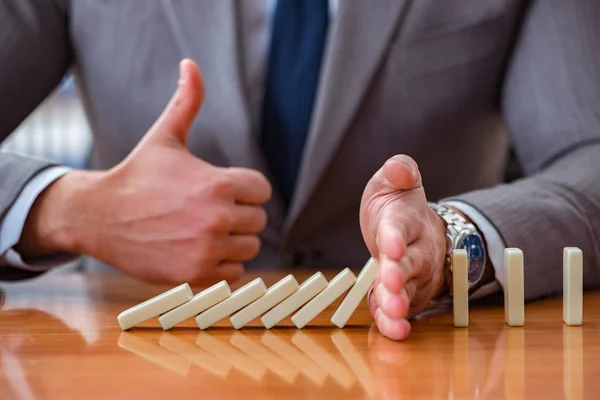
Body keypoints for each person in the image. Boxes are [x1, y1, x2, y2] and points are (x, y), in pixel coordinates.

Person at [0, 0, 599, 341]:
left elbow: (590, 157)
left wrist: (451, 240)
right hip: (141, 352)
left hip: (414, 356)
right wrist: (66, 210)